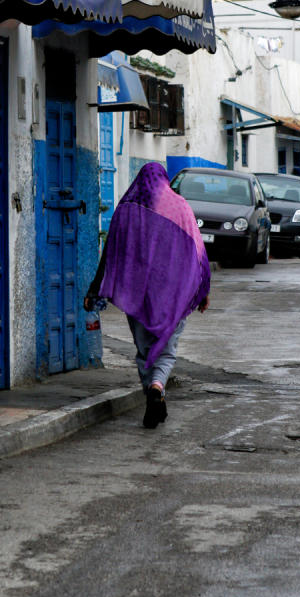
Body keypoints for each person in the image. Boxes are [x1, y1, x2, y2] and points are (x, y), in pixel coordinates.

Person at [86, 162, 211, 430]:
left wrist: (95, 288)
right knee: (166, 349)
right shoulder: (180, 207)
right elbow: (198, 253)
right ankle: (157, 387)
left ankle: (152, 397)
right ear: (164, 180)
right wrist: (203, 290)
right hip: (174, 294)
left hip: (137, 293)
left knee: (145, 351)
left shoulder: (126, 208)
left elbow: (110, 253)